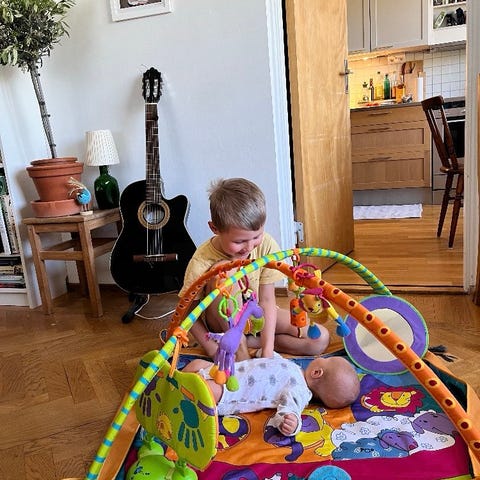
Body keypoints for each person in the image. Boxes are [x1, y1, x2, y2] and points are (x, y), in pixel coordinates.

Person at [178, 177, 330, 361]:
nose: (249, 247)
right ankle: (239, 350)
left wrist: (267, 350)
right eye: (239, 241)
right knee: (225, 272)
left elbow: (267, 300)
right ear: (214, 228)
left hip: (256, 316)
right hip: (222, 324)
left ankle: (253, 345)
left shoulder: (266, 245)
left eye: (256, 237)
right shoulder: (201, 261)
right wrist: (211, 349)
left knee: (319, 339)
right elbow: (187, 313)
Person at [182, 354, 360, 436]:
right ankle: (174, 383)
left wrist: (292, 422)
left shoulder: (301, 391)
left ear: (317, 372)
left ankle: (177, 395)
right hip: (227, 372)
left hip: (230, 393)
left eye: (326, 359)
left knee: (203, 390)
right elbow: (272, 361)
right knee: (197, 364)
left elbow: (291, 409)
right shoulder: (295, 367)